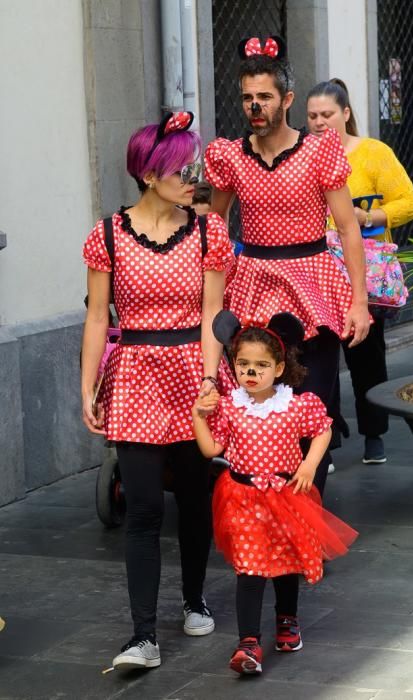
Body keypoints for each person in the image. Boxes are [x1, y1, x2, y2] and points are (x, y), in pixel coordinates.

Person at [81, 112, 235, 671]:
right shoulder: (106, 236)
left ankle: (195, 599)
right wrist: (88, 385)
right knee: (144, 507)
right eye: (181, 169)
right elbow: (98, 318)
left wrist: (212, 378)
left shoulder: (207, 231)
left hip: (194, 370)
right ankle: (143, 635)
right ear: (149, 174)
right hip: (135, 375)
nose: (193, 177)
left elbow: (213, 311)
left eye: (194, 167)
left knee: (194, 498)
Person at [204, 36, 370, 497]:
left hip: (312, 286)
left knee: (311, 406)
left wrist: (359, 301)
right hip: (253, 283)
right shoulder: (230, 155)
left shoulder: (319, 151)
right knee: (256, 407)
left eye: (265, 96)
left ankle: (305, 525)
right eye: (247, 98)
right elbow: (216, 225)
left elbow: (348, 228)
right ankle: (263, 519)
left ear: (287, 99)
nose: (255, 106)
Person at [192, 310, 358, 675]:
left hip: (286, 497)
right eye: (243, 364)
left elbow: (323, 429)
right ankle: (248, 643)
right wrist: (198, 417)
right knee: (249, 570)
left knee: (285, 564)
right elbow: (211, 450)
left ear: (279, 368)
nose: (251, 373)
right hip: (243, 499)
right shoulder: (231, 405)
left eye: (261, 365)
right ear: (233, 365)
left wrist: (309, 465)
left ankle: (287, 620)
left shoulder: (296, 405)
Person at [307, 78, 413, 464]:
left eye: (328, 114)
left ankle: (375, 434)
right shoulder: (301, 154)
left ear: (346, 114)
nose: (320, 122)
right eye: (313, 116)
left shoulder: (373, 153)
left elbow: (410, 202)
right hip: (316, 271)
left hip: (364, 272)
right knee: (318, 357)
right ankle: (328, 438)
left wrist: (366, 215)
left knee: (365, 353)